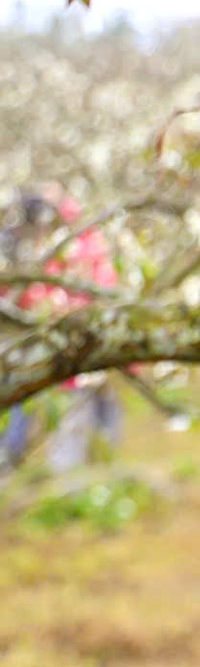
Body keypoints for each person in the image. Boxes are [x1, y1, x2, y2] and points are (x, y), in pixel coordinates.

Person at [0, 186, 123, 474]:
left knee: (89, 406)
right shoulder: (20, 245)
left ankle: (77, 469)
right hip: (42, 340)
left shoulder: (76, 245)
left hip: (74, 340)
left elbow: (97, 286)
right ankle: (56, 468)